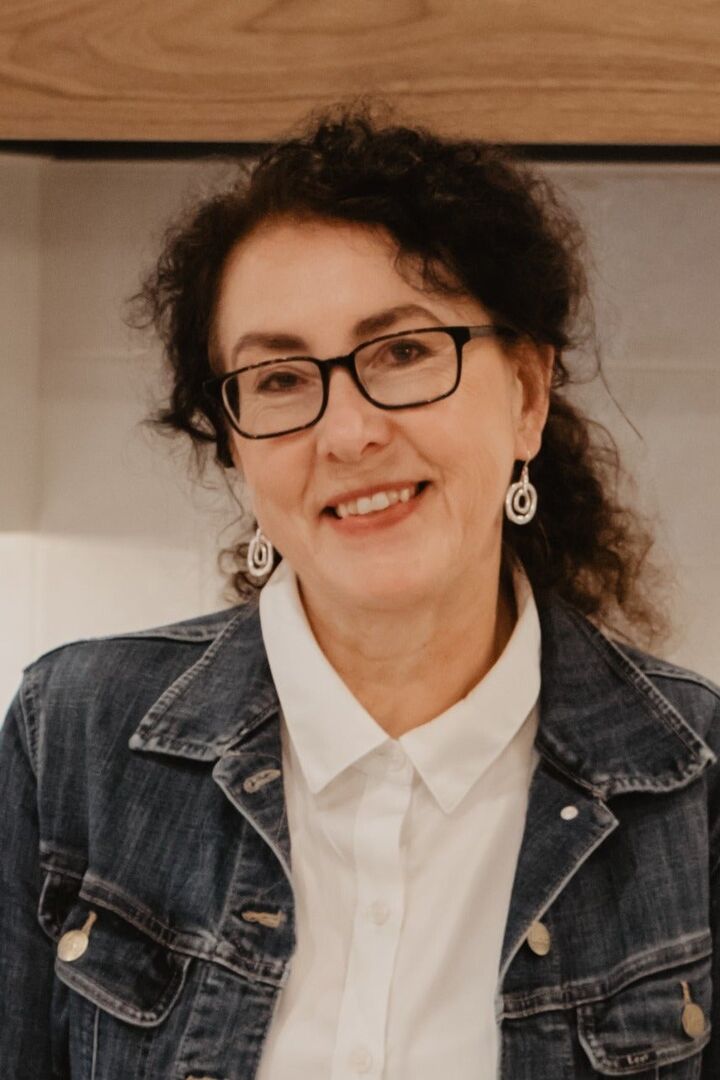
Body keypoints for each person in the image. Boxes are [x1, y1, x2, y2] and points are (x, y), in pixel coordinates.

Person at [1, 105, 719, 1080]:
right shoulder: (71, 739)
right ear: (235, 445)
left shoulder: (694, 786)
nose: (347, 433)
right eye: (281, 378)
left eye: (404, 353)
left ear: (527, 394)